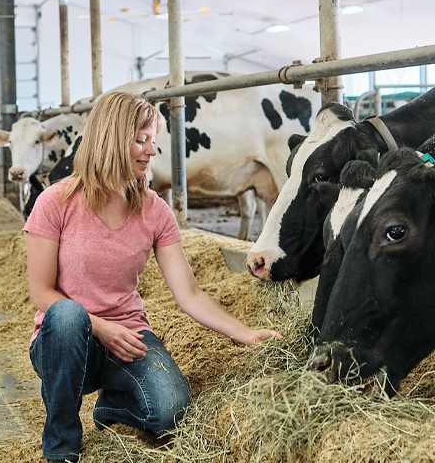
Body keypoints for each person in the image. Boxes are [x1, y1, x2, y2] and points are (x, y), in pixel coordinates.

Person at [25, 91, 282, 462]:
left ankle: (112, 406)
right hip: (65, 343)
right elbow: (41, 292)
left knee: (169, 410)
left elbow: (189, 293)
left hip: (128, 336)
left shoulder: (155, 211)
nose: (150, 151)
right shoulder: (56, 202)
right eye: (141, 140)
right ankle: (62, 442)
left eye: (154, 142)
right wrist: (100, 327)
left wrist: (245, 333)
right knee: (67, 315)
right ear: (111, 139)